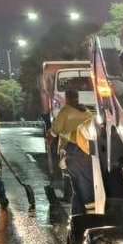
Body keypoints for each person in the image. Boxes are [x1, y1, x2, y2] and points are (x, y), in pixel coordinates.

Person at [50, 88, 95, 216]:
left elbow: (56, 130)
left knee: (79, 183)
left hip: (71, 149)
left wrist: (50, 136)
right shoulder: (86, 111)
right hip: (87, 149)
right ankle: (78, 215)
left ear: (67, 98)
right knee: (81, 184)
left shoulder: (65, 111)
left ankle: (89, 215)